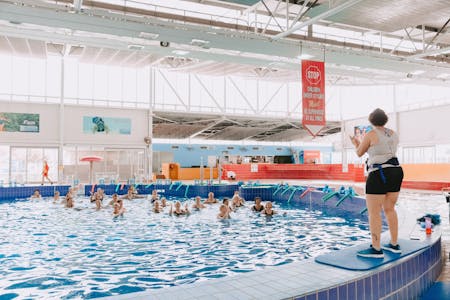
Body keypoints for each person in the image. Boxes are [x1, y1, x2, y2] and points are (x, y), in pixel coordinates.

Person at [350, 108, 403, 258]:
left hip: (379, 173)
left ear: (371, 121)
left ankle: (376, 248)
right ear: (385, 120)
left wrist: (356, 143)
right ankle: (394, 244)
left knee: (374, 213)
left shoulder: (371, 134)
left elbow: (360, 152)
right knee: (390, 209)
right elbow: (380, 151)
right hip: (395, 171)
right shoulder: (393, 133)